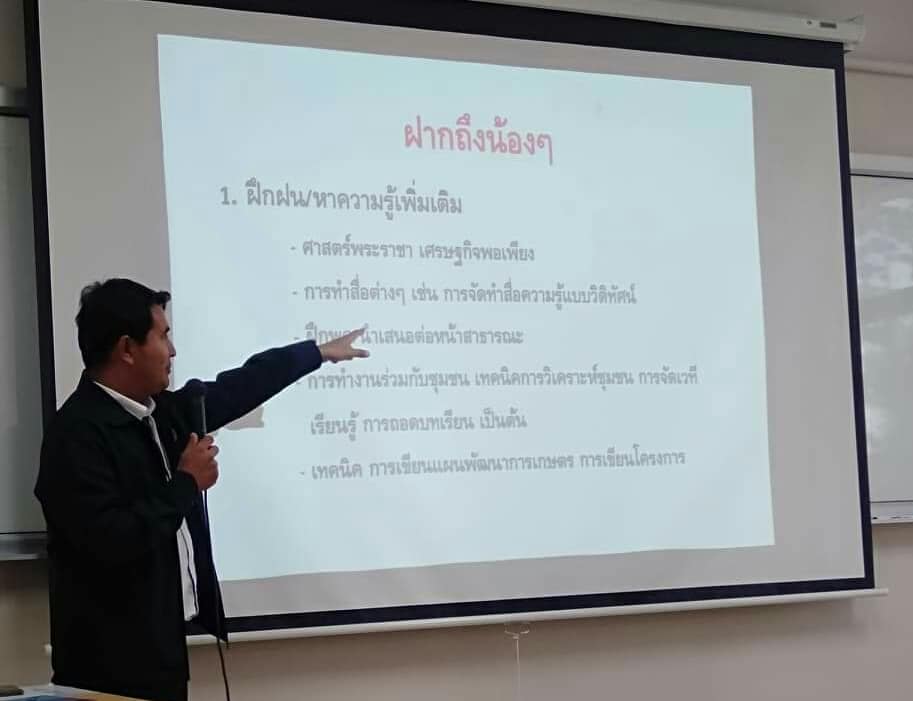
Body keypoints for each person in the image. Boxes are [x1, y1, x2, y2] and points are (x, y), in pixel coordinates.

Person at [34, 278, 368, 701]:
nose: (172, 351)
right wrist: (187, 483)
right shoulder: (76, 435)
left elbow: (238, 387)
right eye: (163, 336)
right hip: (106, 669)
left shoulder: (161, 413)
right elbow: (111, 539)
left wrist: (314, 354)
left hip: (162, 654)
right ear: (127, 349)